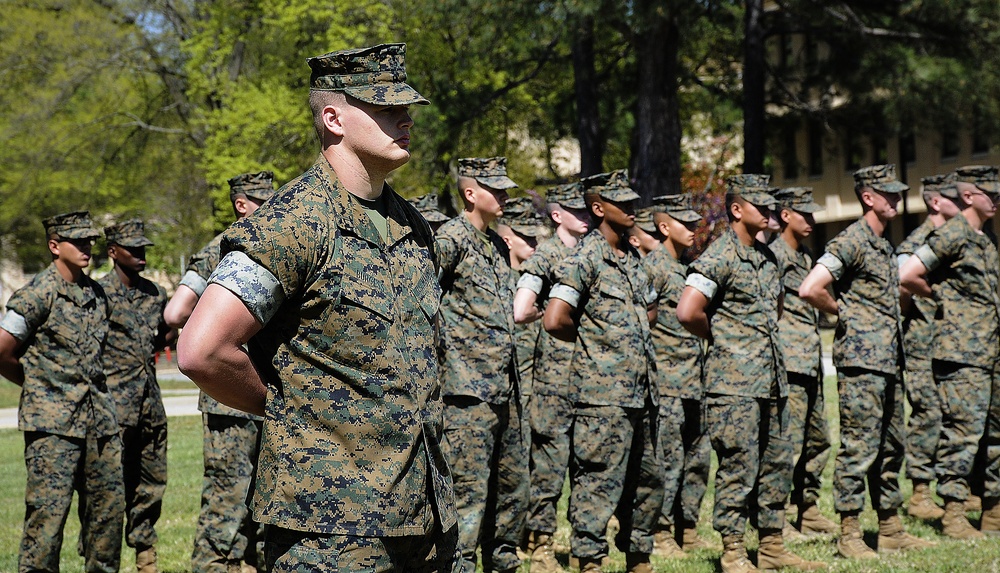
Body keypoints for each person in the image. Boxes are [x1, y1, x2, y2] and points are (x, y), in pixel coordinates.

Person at [177, 43, 459, 573]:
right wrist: (294, 411)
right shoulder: (292, 223)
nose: (404, 119)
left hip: (423, 514)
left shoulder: (412, 225)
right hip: (331, 528)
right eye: (383, 106)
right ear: (333, 118)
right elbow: (201, 351)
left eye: (406, 107)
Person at [677, 175, 822, 573]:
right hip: (733, 385)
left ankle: (772, 546)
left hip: (772, 380)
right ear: (737, 209)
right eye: (762, 206)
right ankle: (734, 552)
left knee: (776, 463)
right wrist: (724, 339)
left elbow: (774, 310)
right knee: (739, 466)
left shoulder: (768, 257)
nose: (771, 213)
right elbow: (688, 311)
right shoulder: (718, 257)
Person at [799, 164, 935, 558]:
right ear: (868, 198)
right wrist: (844, 313)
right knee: (859, 449)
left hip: (889, 361)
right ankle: (850, 534)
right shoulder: (852, 241)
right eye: (887, 194)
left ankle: (890, 527)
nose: (895, 199)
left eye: (896, 193)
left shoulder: (881, 244)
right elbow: (812, 288)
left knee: (892, 445)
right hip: (861, 364)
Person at [543, 169, 661, 573]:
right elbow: (555, 318)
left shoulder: (632, 258)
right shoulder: (583, 257)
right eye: (622, 203)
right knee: (597, 481)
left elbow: (650, 307)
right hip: (601, 396)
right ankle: (590, 559)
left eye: (632, 200)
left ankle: (638, 557)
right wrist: (600, 344)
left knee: (647, 480)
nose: (632, 208)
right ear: (598, 208)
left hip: (643, 392)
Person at [0, 211, 125, 573]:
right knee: (47, 522)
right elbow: (3, 350)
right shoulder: (36, 294)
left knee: (106, 518)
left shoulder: (97, 293)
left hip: (100, 424)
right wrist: (38, 385)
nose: (87, 247)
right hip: (52, 428)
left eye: (90, 240)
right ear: (55, 246)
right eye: (78, 241)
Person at [166, 171, 275, 573]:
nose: (269, 207)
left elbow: (178, 312)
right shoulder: (221, 248)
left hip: (257, 391)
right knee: (228, 498)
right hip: (233, 393)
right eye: (260, 200)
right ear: (240, 204)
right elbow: (174, 312)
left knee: (260, 495)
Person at [436, 156, 529, 573]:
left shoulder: (494, 244)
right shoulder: (451, 238)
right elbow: (419, 296)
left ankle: (502, 564)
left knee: (511, 490)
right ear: (471, 193)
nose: (506, 194)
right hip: (466, 393)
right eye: (497, 188)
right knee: (468, 497)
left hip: (504, 388)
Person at [899, 165, 1000, 539]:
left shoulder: (984, 238)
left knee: (995, 434)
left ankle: (993, 511)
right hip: (961, 353)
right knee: (962, 433)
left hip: (990, 349)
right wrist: (943, 297)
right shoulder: (951, 234)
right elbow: (908, 274)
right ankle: (954, 517)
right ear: (970, 196)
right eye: (991, 193)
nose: (997, 199)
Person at [512, 182, 590, 573]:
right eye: (578, 211)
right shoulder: (545, 258)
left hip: (591, 378)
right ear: (557, 216)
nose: (587, 218)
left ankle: (584, 546)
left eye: (589, 211)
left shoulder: (595, 254)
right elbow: (521, 308)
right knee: (549, 464)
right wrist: (554, 313)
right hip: (554, 378)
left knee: (589, 463)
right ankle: (541, 544)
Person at [99, 219, 175, 573]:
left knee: (151, 483)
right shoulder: (97, 296)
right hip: (112, 410)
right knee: (110, 490)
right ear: (113, 252)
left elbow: (162, 340)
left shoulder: (155, 295)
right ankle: (103, 560)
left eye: (143, 248)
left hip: (150, 407)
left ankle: (146, 558)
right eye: (133, 249)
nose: (141, 254)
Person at [641, 194, 714, 558]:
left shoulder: (689, 269)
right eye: (685, 224)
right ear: (664, 227)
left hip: (694, 380)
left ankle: (687, 525)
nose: (694, 230)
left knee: (697, 459)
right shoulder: (650, 267)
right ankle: (662, 530)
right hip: (666, 382)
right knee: (667, 460)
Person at [769, 187, 838, 538]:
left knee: (818, 440)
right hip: (787, 363)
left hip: (809, 361)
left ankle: (807, 509)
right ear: (785, 216)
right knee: (787, 446)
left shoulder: (807, 257)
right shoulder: (773, 257)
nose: (811, 220)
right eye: (804, 214)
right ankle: (777, 517)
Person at [895, 175, 961, 522]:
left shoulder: (958, 239)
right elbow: (902, 291)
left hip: (951, 345)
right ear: (936, 202)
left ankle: (957, 488)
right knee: (927, 415)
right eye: (955, 197)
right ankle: (920, 492)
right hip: (922, 346)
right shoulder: (916, 242)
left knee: (955, 416)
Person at [497, 196, 548, 401]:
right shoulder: (496, 279)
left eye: (534, 237)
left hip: (537, 384)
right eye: (527, 238)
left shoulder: (537, 280)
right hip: (507, 384)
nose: (534, 244)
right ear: (508, 240)